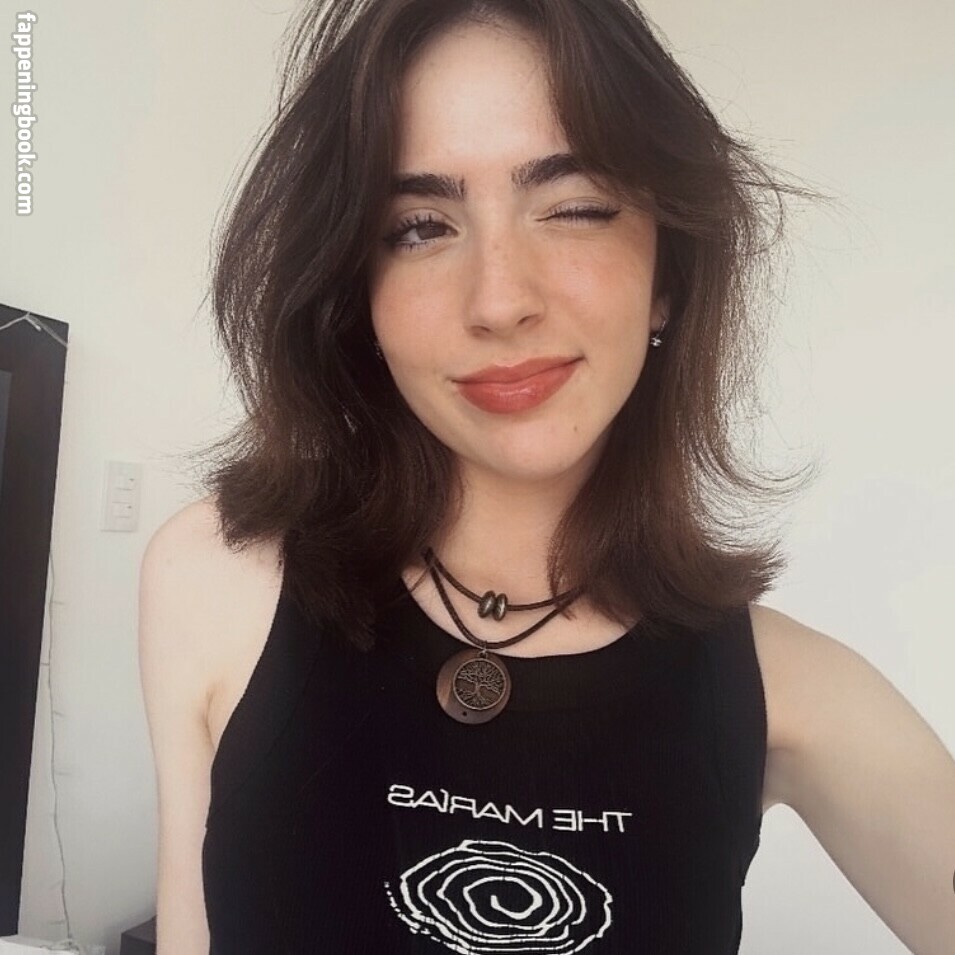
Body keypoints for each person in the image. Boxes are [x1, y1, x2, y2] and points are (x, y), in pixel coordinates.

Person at [138, 1, 955, 953]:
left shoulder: (795, 691)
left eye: (573, 208)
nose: (498, 299)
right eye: (419, 226)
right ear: (357, 293)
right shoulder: (214, 578)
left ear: (666, 276)